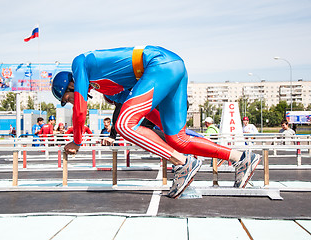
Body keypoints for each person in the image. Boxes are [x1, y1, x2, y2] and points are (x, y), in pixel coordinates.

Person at [51, 45, 261, 198]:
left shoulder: (79, 63)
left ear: (69, 85)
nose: (69, 102)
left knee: (123, 124)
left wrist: (77, 141)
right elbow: (146, 111)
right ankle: (241, 158)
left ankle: (183, 163)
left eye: (66, 99)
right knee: (178, 139)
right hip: (173, 67)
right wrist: (164, 128)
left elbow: (80, 110)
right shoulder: (110, 90)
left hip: (158, 64)